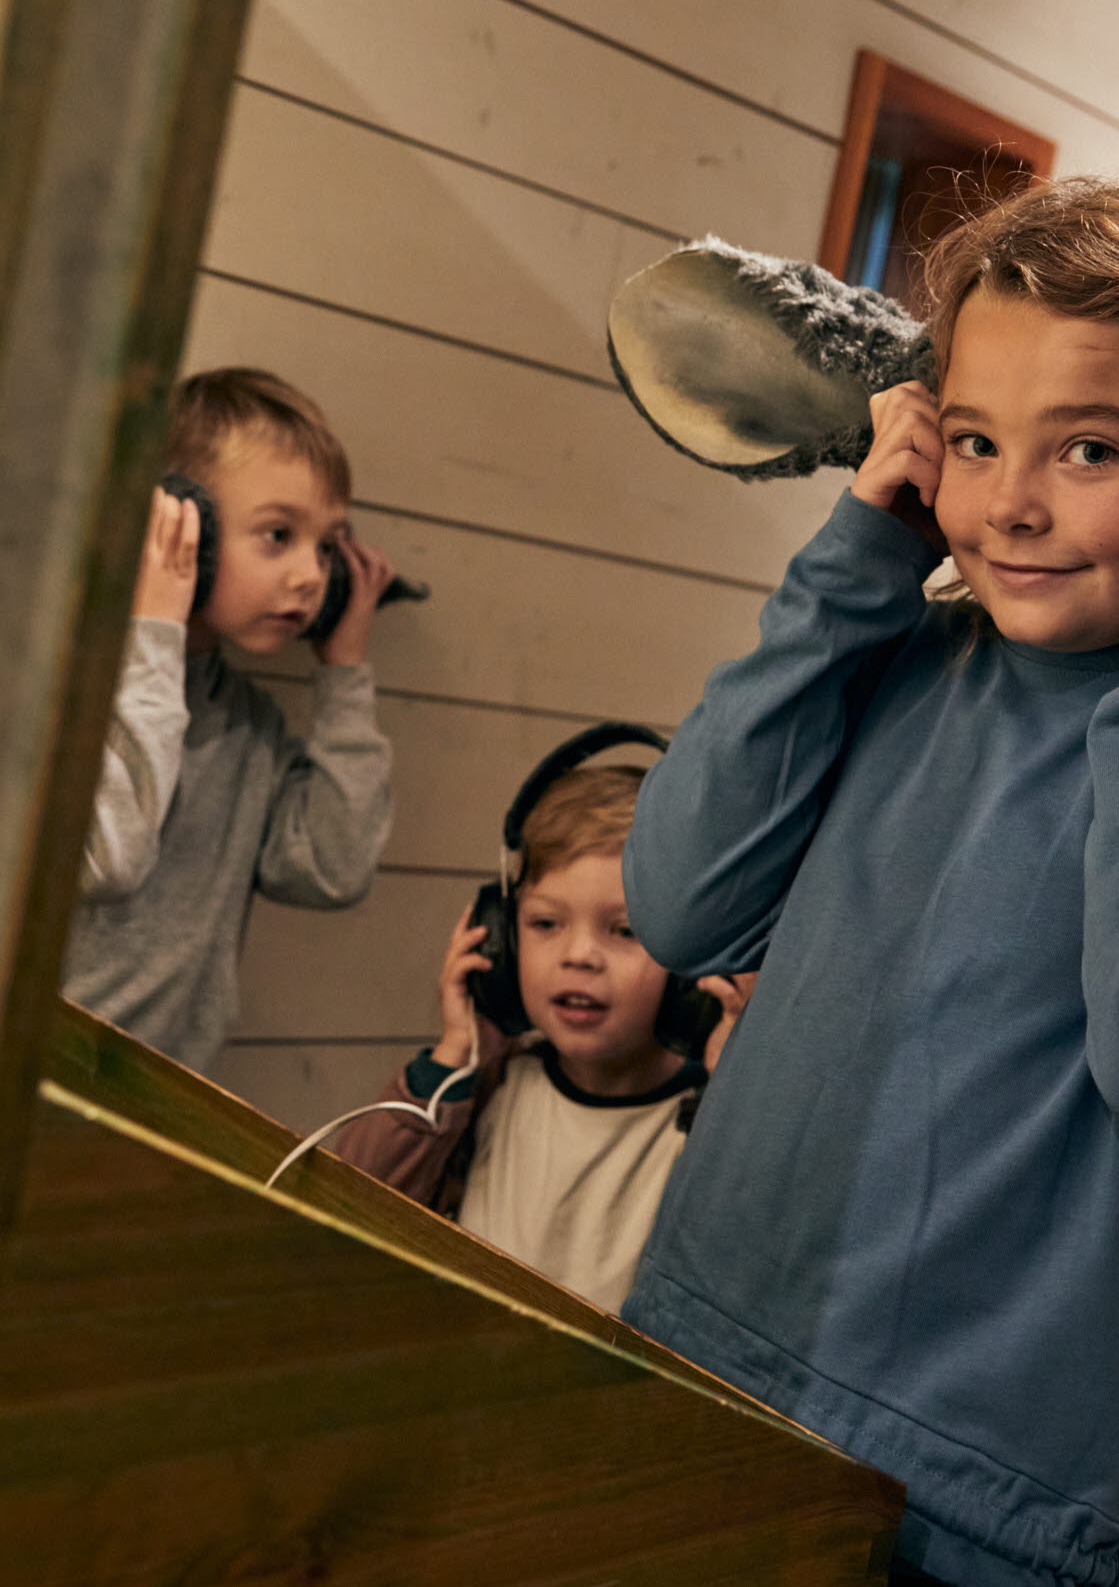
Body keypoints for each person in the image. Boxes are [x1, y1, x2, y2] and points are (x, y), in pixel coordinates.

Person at [618, 178, 1119, 1587]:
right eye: (975, 440)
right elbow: (686, 907)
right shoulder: (903, 656)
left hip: (1004, 1507)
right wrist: (859, 559)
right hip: (708, 1371)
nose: (1011, 505)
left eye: (1090, 448)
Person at [63, 368, 395, 1075]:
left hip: (163, 1095)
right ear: (185, 523)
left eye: (328, 546)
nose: (310, 574)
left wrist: (343, 675)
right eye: (278, 534)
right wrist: (151, 629)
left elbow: (332, 869)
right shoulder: (68, 688)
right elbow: (109, 857)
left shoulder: (250, 728)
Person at [337, 763, 752, 1313]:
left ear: (691, 965)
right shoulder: (488, 1086)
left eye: (625, 930)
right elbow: (352, 1203)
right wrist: (450, 1062)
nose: (578, 955)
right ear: (500, 945)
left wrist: (741, 1100)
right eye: (545, 924)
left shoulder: (711, 1120)